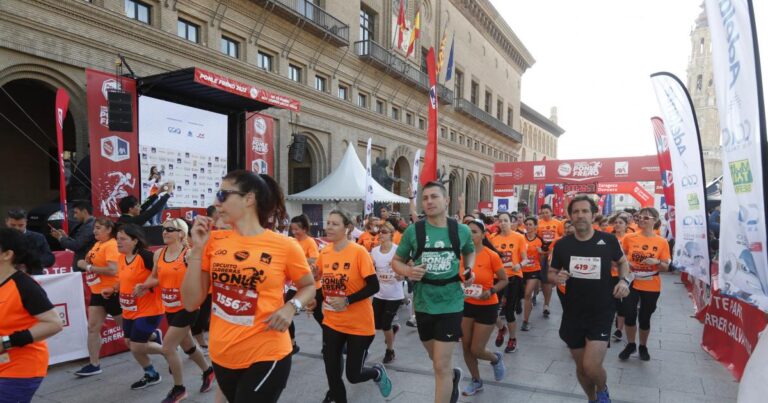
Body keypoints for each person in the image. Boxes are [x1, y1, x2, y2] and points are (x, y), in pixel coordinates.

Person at [182, 170, 315, 402]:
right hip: (223, 354)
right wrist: (198, 249)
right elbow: (191, 301)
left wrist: (291, 306)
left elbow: (308, 286)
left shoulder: (285, 246)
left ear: (248, 198)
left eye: (223, 195)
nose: (216, 203)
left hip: (267, 352)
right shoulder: (213, 242)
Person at [392, 181, 475, 403]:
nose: (428, 201)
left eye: (434, 197)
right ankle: (453, 376)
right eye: (425, 198)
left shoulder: (461, 230)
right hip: (423, 303)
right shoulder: (414, 231)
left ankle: (447, 377)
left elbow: (469, 252)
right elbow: (396, 261)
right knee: (434, 357)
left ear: (446, 200)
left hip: (451, 302)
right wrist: (409, 271)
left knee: (440, 366)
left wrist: (468, 268)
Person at [549, 195, 631, 403]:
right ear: (570, 216)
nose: (580, 215)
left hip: (601, 310)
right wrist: (555, 277)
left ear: (593, 214)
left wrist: (623, 282)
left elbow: (623, 263)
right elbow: (550, 273)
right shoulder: (562, 245)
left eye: (585, 211)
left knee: (591, 366)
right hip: (573, 312)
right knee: (581, 368)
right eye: (575, 211)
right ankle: (592, 398)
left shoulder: (608, 240)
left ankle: (602, 390)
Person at [315, 209, 392, 402]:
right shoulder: (324, 253)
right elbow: (320, 282)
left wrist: (347, 300)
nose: (329, 227)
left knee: (353, 375)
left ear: (347, 228)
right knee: (332, 375)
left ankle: (376, 373)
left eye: (334, 223)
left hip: (359, 325)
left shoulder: (358, 252)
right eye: (328, 223)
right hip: (332, 322)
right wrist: (313, 300)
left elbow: (374, 286)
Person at [135, 219, 215, 402]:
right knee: (187, 345)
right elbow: (155, 277)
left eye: (170, 229)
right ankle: (208, 371)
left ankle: (179, 388)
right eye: (164, 229)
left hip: (188, 306)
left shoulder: (188, 254)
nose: (165, 232)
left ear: (181, 233)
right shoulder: (158, 254)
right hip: (169, 306)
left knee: (168, 346)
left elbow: (202, 278)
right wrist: (144, 285)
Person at [0, 228, 63, 402]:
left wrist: (6, 342)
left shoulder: (24, 285)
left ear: (6, 255)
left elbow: (55, 323)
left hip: (21, 368)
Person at [116, 224, 171, 390]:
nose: (118, 242)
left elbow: (164, 275)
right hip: (129, 309)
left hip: (150, 308)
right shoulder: (121, 257)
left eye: (123, 239)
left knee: (137, 345)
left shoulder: (146, 256)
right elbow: (124, 280)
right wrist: (112, 289)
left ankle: (168, 351)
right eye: (117, 239)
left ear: (135, 241)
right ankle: (151, 374)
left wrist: (145, 286)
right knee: (129, 342)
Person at [460, 220, 507, 396]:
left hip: (487, 306)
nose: (470, 235)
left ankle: (495, 359)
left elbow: (504, 280)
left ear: (483, 235)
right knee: (465, 347)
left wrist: (491, 291)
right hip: (465, 305)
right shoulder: (460, 255)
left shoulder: (491, 255)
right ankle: (476, 380)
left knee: (477, 349)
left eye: (474, 232)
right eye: (467, 232)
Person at [618, 208, 671, 361]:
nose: (642, 220)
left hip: (651, 284)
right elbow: (621, 258)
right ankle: (630, 344)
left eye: (646, 218)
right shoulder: (629, 237)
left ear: (655, 220)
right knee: (629, 313)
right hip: (631, 281)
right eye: (640, 218)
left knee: (645, 317)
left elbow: (666, 266)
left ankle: (643, 346)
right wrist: (626, 264)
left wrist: (657, 262)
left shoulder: (662, 242)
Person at [74, 218, 122, 377]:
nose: (95, 231)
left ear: (109, 230)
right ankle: (94, 364)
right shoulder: (98, 244)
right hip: (97, 292)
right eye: (95, 228)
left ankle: (153, 336)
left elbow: (112, 270)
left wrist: (87, 266)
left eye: (99, 228)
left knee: (127, 329)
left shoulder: (112, 245)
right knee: (92, 328)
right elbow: (91, 261)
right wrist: (87, 263)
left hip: (111, 292)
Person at [491, 211, 527, 353]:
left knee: (510, 311)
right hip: (497, 277)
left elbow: (525, 258)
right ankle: (501, 328)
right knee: (491, 309)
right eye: (500, 221)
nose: (503, 223)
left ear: (511, 222)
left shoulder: (519, 237)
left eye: (505, 220)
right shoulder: (493, 239)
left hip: (513, 276)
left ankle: (512, 339)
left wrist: (520, 265)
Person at [371, 221, 403, 364]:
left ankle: (390, 351)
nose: (380, 234)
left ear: (391, 234)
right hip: (379, 293)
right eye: (380, 232)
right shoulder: (374, 251)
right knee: (376, 324)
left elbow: (408, 266)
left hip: (395, 295)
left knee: (385, 324)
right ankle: (393, 329)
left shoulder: (397, 250)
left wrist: (401, 275)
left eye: (384, 232)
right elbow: (372, 269)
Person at [288, 214, 321, 352]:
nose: (294, 232)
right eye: (293, 229)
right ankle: (292, 344)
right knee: (286, 310)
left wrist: (299, 260)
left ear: (305, 229)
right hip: (294, 285)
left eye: (297, 229)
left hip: (311, 286)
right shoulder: (291, 241)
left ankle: (334, 341)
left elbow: (315, 261)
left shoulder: (310, 242)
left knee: (318, 316)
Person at [50, 201, 96, 269]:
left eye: (76, 212)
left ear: (84, 211)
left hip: (85, 265)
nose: (74, 216)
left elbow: (77, 245)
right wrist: (65, 237)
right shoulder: (86, 225)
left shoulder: (89, 227)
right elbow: (80, 243)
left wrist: (60, 238)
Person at [609, 215, 630, 342]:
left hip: (623, 275)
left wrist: (621, 262)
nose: (617, 225)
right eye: (615, 222)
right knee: (610, 302)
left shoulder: (629, 238)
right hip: (608, 274)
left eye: (620, 222)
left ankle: (619, 330)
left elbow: (629, 256)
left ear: (626, 225)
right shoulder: (609, 238)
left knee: (621, 303)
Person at [521, 217, 543, 331]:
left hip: (534, 270)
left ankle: (526, 321)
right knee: (524, 295)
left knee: (527, 294)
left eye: (530, 224)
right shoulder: (520, 238)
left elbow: (543, 257)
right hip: (521, 270)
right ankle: (525, 309)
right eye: (527, 224)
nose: (528, 226)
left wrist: (541, 253)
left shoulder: (539, 240)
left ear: (535, 227)